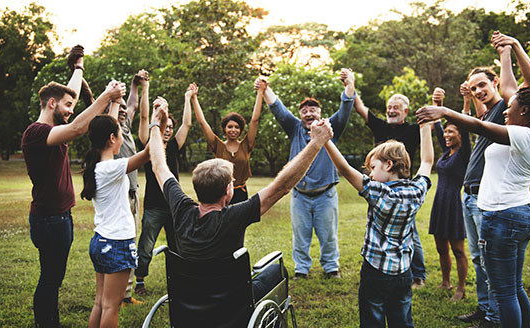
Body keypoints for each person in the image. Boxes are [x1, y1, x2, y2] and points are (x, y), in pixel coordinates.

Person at [416, 40, 530, 328]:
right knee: (515, 288)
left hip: (504, 217)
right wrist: (507, 50)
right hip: (519, 213)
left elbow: (480, 125)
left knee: (506, 292)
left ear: (523, 111)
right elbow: (509, 90)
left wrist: (445, 112)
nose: (507, 107)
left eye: (513, 105)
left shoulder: (523, 135)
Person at [148, 96, 336, 298]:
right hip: (231, 301)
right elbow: (281, 187)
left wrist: (156, 123)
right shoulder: (234, 216)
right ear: (228, 191)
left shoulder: (181, 209)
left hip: (190, 300)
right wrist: (316, 143)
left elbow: (159, 165)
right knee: (278, 272)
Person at [22, 47, 125, 328]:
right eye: (66, 106)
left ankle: (50, 326)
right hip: (48, 219)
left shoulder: (53, 127)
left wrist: (78, 68)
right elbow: (80, 125)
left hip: (60, 217)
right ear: (51, 103)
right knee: (50, 279)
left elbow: (73, 100)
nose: (71, 109)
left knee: (54, 276)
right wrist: (106, 96)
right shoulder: (37, 132)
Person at [322, 120, 433, 328]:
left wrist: (325, 141)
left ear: (389, 165)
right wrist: (426, 127)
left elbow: (344, 169)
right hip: (403, 273)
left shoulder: (377, 192)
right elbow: (428, 161)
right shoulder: (417, 190)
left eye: (373, 167)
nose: (369, 173)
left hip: (375, 272)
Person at [455, 31, 530, 328]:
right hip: (472, 193)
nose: (479, 90)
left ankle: (494, 319)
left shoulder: (508, 111)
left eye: (483, 85)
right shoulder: (496, 113)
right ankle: (485, 307)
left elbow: (525, 86)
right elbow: (479, 116)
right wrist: (468, 97)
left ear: (495, 85)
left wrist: (510, 48)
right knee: (479, 259)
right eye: (474, 86)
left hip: (492, 202)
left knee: (494, 267)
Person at [259, 69, 356, 279]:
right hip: (300, 195)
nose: (309, 113)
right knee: (300, 236)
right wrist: (265, 89)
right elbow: (278, 108)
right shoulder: (294, 128)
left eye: (313, 109)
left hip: (326, 194)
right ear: (300, 115)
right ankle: (301, 270)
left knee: (328, 235)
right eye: (304, 111)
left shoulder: (330, 128)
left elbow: (346, 107)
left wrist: (350, 83)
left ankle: (331, 268)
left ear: (320, 113)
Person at [81, 114, 151, 328]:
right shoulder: (112, 167)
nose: (123, 137)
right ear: (112, 138)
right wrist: (158, 121)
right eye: (120, 133)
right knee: (112, 306)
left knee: (100, 303)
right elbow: (148, 154)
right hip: (116, 243)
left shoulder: (99, 166)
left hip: (100, 241)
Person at [353, 92, 427, 288]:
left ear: (406, 111)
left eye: (396, 107)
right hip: (380, 189)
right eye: (389, 107)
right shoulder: (381, 126)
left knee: (411, 234)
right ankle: (390, 267)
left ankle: (418, 274)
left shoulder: (412, 131)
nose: (391, 110)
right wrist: (349, 85)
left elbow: (429, 142)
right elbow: (360, 108)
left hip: (403, 191)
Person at [134, 83, 195, 295]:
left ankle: (178, 280)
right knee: (146, 247)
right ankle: (140, 281)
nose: (168, 130)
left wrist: (188, 98)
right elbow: (143, 120)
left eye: (170, 127)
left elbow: (186, 124)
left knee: (177, 246)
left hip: (174, 206)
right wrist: (150, 102)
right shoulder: (149, 146)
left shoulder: (175, 147)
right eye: (164, 126)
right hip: (153, 207)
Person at [428, 88, 471, 301]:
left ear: (461, 135)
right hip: (439, 202)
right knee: (440, 247)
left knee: (458, 249)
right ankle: (446, 282)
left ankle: (461, 288)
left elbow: (465, 123)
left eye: (451, 132)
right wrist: (438, 103)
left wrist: (466, 101)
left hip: (454, 202)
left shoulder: (464, 153)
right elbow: (437, 126)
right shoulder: (447, 152)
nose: (446, 135)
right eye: (445, 132)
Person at [191, 80, 265, 204]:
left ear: (241, 130)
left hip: (241, 193)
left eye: (237, 127)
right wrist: (194, 98)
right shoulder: (217, 145)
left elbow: (255, 120)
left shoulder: (246, 145)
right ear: (224, 129)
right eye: (230, 127)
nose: (233, 130)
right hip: (220, 193)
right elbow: (202, 123)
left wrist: (260, 93)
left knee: (240, 223)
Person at [113, 69, 150, 306]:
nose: (125, 111)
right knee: (123, 241)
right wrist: (114, 99)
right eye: (120, 108)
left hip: (133, 192)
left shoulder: (125, 128)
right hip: (120, 195)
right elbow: (122, 108)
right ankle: (119, 294)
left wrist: (135, 85)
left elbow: (133, 105)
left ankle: (125, 294)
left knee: (130, 241)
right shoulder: (109, 130)